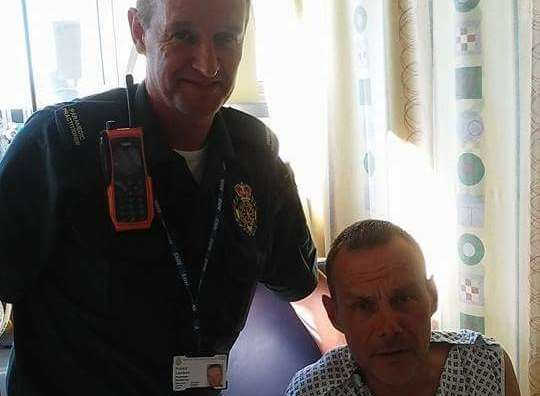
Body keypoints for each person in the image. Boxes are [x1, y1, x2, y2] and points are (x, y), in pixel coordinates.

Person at [0, 0, 318, 395]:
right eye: (182, 36)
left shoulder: (257, 159)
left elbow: (301, 282)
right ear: (138, 32)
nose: (208, 64)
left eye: (226, 38)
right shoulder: (62, 144)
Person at [286, 219, 521, 396]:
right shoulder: (312, 391)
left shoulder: (486, 367)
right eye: (364, 306)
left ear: (432, 296)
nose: (389, 327)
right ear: (334, 315)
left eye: (404, 299)